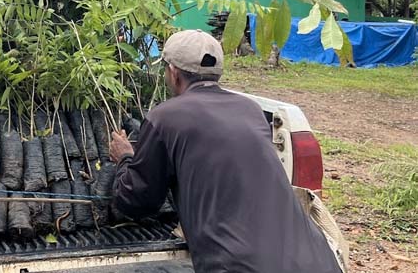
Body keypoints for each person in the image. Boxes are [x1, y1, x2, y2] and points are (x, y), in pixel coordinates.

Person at [109, 30, 342, 273]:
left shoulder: (165, 117)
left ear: (174, 72)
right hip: (317, 261)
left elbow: (136, 201)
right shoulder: (251, 110)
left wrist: (125, 157)